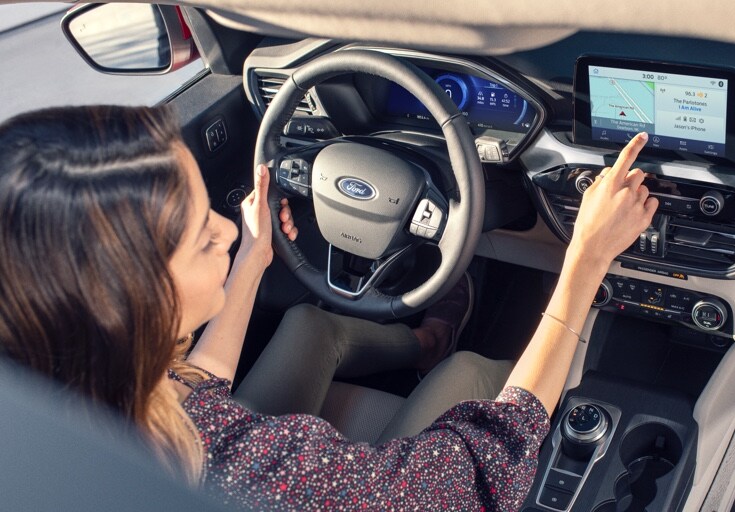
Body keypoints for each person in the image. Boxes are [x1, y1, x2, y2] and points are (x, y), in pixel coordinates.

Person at [0, 105, 657, 511]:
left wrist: (256, 261)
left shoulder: (68, 389)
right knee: (469, 376)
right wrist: (586, 260)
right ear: (139, 307)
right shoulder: (277, 477)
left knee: (308, 322)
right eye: (206, 234)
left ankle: (424, 342)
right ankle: (446, 352)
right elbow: (480, 467)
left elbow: (191, 388)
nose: (229, 232)